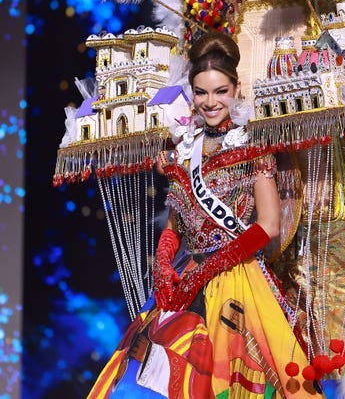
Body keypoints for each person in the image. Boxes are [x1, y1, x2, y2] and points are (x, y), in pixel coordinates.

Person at [87, 31, 324, 398]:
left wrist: (211, 268)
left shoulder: (253, 144)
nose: (210, 102)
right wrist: (164, 264)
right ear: (192, 93)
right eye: (201, 92)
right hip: (186, 275)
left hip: (237, 278)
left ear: (236, 88)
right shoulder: (185, 148)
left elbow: (269, 224)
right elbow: (175, 225)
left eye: (220, 91)